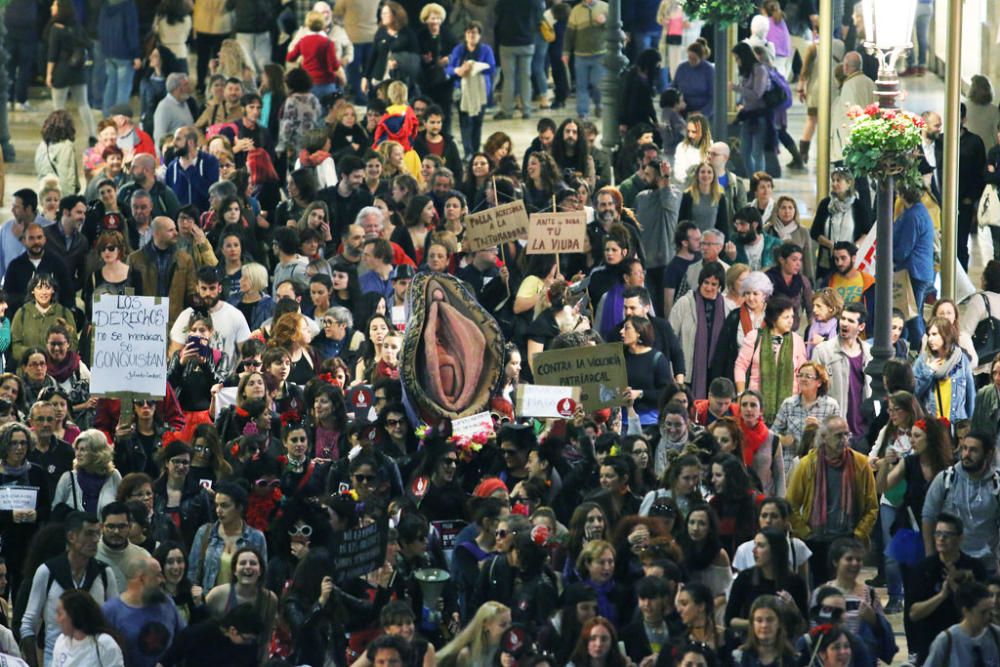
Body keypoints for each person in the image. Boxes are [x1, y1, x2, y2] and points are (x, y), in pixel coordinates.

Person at [786, 416, 879, 583]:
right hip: (817, 540)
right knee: (820, 588)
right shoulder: (808, 464)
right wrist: (806, 532)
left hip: (848, 539)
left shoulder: (860, 463)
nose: (844, 440)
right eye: (838, 435)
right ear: (823, 437)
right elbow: (790, 503)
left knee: (846, 587)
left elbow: (872, 506)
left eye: (846, 435)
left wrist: (858, 533)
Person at [20, 512, 119, 667]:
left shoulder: (104, 574)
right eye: (88, 534)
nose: (95, 540)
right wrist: (32, 663)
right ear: (71, 537)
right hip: (55, 659)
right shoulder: (47, 572)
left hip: (95, 659)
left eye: (97, 534)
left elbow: (115, 621)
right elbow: (28, 625)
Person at [906, 512, 987, 664]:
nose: (941, 538)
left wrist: (957, 589)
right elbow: (914, 613)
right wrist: (942, 595)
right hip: (930, 644)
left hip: (967, 645)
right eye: (938, 533)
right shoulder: (923, 569)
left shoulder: (974, 568)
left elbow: (982, 612)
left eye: (947, 535)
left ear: (960, 538)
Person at [921, 431, 1000, 575]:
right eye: (964, 448)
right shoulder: (945, 479)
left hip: (987, 564)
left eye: (973, 450)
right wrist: (930, 556)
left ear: (988, 455)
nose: (966, 454)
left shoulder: (997, 484)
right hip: (950, 562)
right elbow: (928, 516)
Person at [734, 296, 807, 422]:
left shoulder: (797, 340)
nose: (791, 321)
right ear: (773, 319)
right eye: (786, 317)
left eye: (792, 317)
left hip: (790, 408)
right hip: (755, 405)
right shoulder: (754, 337)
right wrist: (741, 394)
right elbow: (740, 366)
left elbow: (802, 373)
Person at [103, 555, 185, 667]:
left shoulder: (166, 602)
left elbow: (183, 638)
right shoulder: (111, 612)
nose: (163, 580)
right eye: (157, 575)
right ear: (141, 579)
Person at [669, 262, 728, 400]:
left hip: (715, 373)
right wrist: (674, 371)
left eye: (714, 284)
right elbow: (670, 339)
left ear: (720, 286)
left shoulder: (726, 306)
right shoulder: (684, 303)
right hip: (688, 373)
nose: (709, 287)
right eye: (706, 282)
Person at [813, 304, 872, 437]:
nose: (844, 323)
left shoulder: (869, 353)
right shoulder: (823, 351)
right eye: (843, 318)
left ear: (861, 327)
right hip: (833, 430)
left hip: (862, 430)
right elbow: (815, 392)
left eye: (851, 321)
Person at [913, 317, 976, 423]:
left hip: (956, 426)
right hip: (932, 425)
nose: (930, 339)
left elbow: (970, 396)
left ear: (945, 335)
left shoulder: (961, 360)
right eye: (929, 335)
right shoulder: (923, 361)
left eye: (934, 334)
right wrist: (929, 371)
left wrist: (970, 424)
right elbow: (914, 393)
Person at [159, 603, 262, 667]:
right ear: (233, 630)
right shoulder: (200, 633)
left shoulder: (250, 646)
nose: (249, 643)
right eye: (246, 639)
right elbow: (168, 658)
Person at [924, 581, 1000, 665]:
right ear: (966, 611)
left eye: (990, 611)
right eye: (983, 612)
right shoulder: (945, 641)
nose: (988, 617)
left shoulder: (996, 635)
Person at [52, 430, 121, 515]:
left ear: (97, 452)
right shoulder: (68, 478)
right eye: (77, 449)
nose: (78, 454)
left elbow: (121, 508)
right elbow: (55, 512)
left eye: (83, 450)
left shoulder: (113, 476)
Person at [51, 589, 125, 667]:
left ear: (74, 614)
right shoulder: (61, 641)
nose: (57, 619)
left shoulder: (104, 643)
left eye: (60, 614)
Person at [35, 110, 80, 198]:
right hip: (59, 195)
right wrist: (70, 199)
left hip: (44, 193)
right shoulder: (66, 146)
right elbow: (66, 175)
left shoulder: (42, 145)